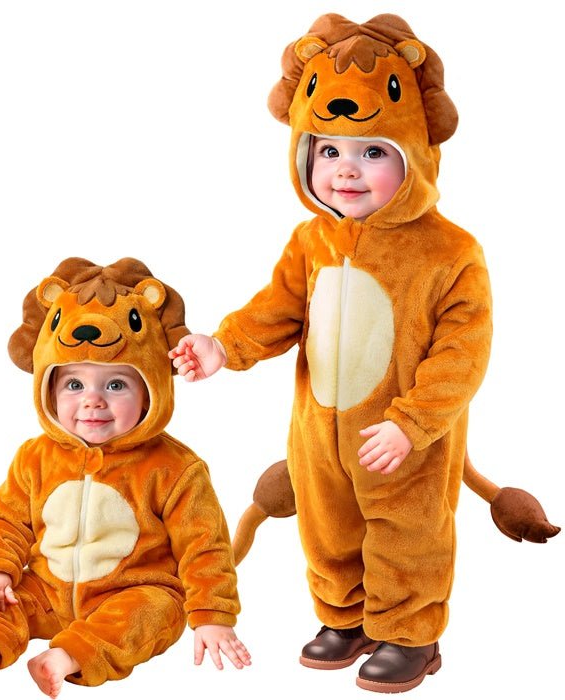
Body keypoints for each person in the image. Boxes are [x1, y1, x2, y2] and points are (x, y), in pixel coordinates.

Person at [170, 13, 492, 694]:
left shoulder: (451, 253)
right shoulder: (311, 240)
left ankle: (410, 633)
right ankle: (345, 618)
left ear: (415, 154)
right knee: (327, 528)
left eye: (374, 151)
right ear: (303, 153)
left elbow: (462, 355)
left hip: (403, 441)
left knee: (407, 533)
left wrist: (411, 424)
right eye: (328, 151)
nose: (346, 169)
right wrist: (223, 347)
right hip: (318, 433)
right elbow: (276, 309)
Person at [0, 258, 250, 699]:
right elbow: (6, 521)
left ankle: (68, 657)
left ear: (152, 391)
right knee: (0, 598)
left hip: (132, 591)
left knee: (155, 612)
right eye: (74, 385)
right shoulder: (35, 457)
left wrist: (213, 615)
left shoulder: (175, 467)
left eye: (116, 385)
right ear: (48, 390)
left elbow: (204, 545)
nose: (92, 401)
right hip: (47, 588)